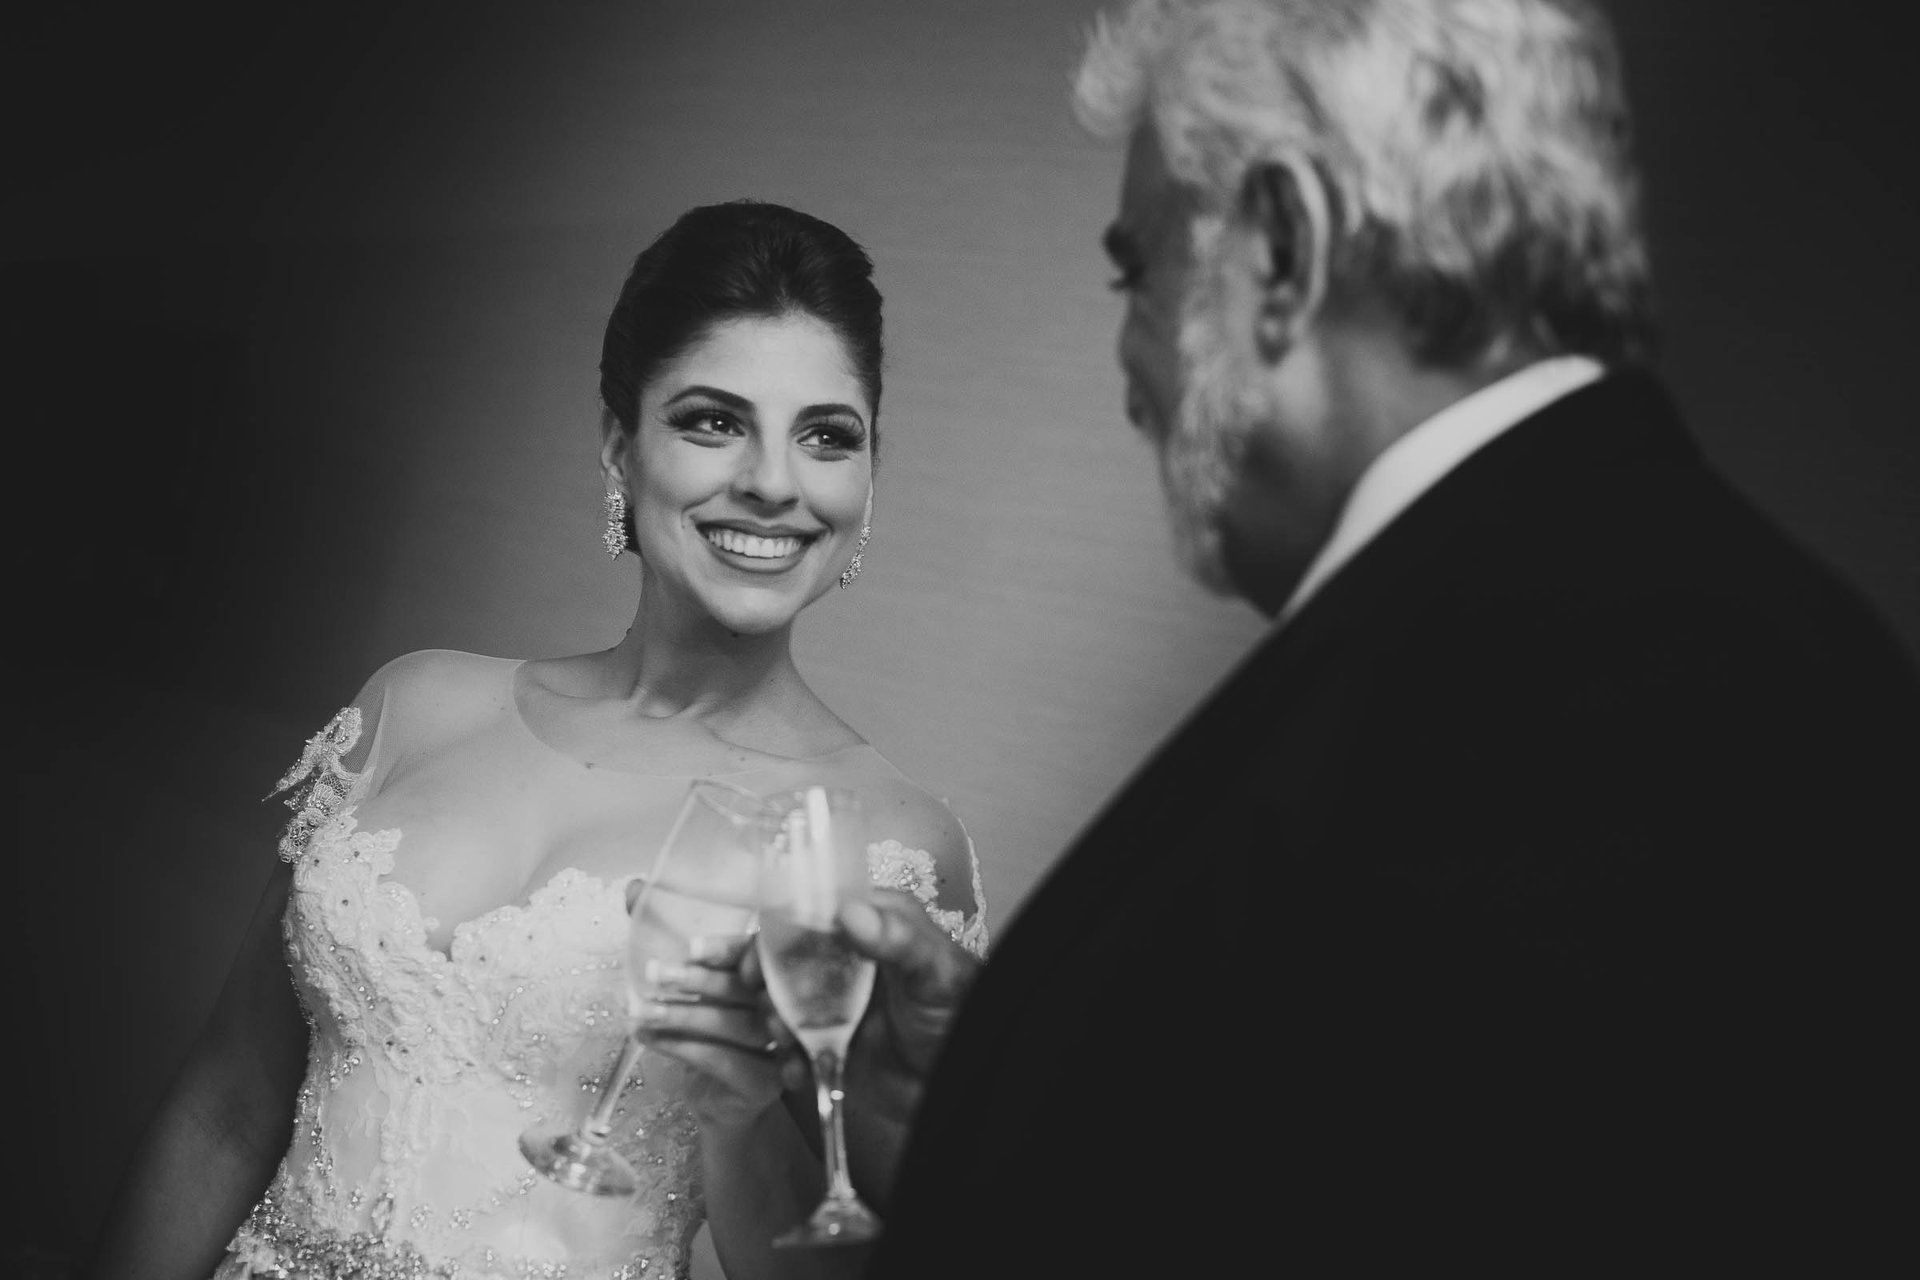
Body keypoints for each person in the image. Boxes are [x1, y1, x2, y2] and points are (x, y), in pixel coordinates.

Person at [826, 1, 1919, 1274]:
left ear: (1286, 248)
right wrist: (981, 1142)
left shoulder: (1616, 695)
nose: (1132, 365)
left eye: (1142, 268)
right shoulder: (1611, 618)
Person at [84, 200, 988, 1280]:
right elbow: (228, 1106)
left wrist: (739, 1119)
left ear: (868, 476)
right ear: (620, 443)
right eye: (712, 420)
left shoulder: (881, 844)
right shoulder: (414, 706)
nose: (774, 481)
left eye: (826, 435)